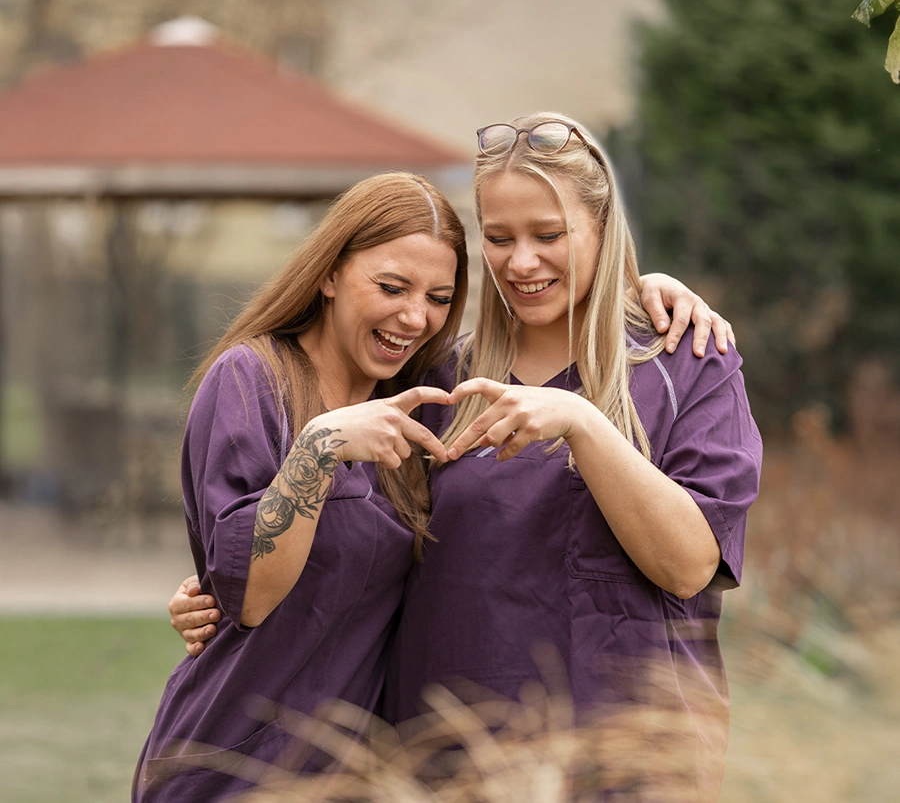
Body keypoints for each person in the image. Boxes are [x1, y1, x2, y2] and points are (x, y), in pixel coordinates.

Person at [168, 117, 755, 798]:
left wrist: (584, 424)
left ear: (602, 229)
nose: (521, 262)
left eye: (549, 235)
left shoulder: (686, 366)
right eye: (499, 238)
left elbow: (689, 566)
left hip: (624, 768)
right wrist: (210, 591)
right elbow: (337, 536)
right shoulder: (438, 379)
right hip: (447, 765)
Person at [132, 171, 469, 802]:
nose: (416, 316)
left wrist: (641, 291)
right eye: (392, 286)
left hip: (348, 778)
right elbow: (254, 596)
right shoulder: (250, 381)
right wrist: (319, 448)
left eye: (440, 297)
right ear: (330, 274)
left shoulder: (422, 403)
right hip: (227, 766)